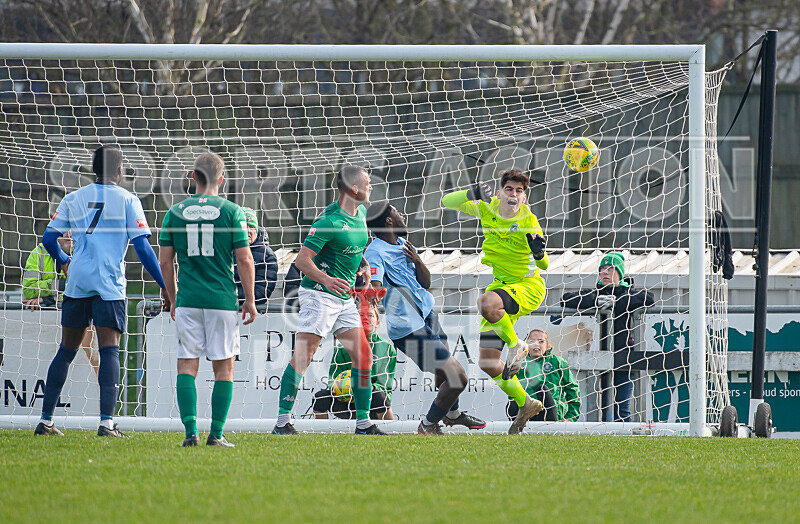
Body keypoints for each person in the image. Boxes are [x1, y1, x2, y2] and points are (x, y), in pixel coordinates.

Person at [34, 145, 166, 437]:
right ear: (119, 170)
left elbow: (48, 238)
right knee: (109, 350)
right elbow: (143, 248)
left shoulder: (73, 197)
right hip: (109, 284)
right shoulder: (129, 200)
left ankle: (45, 420)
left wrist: (64, 259)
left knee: (66, 350)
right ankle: (107, 423)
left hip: (79, 282)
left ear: (93, 170)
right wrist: (165, 285)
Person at [272, 165, 382, 436]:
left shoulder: (363, 212)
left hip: (343, 299)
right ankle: (282, 423)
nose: (371, 186)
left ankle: (363, 423)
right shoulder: (328, 222)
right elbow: (301, 261)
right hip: (319, 296)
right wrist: (326, 279)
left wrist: (364, 263)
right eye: (367, 183)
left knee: (364, 356)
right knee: (304, 357)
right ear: (353, 189)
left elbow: (353, 247)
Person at [159, 152, 257, 447]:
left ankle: (190, 432)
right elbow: (245, 258)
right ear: (221, 179)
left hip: (188, 300)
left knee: (186, 366)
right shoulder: (232, 211)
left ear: (193, 178)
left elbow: (165, 263)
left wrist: (173, 299)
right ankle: (216, 433)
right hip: (221, 300)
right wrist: (250, 299)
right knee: (224, 368)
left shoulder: (174, 212)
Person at [442, 169, 549, 434]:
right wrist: (472, 193)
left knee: (486, 303)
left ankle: (517, 345)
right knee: (488, 363)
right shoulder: (487, 208)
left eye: (519, 191)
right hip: (501, 288)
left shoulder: (529, 221)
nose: (514, 195)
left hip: (527, 287)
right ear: (500, 192)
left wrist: (539, 252)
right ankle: (526, 403)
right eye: (510, 189)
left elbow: (544, 264)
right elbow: (446, 202)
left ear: (525, 196)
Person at [365, 202, 486, 434]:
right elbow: (376, 282)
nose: (402, 215)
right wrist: (372, 294)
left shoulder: (404, 245)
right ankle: (428, 425)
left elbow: (426, 283)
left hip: (428, 316)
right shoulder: (375, 252)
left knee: (444, 374)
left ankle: (453, 414)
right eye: (398, 212)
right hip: (409, 328)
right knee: (458, 376)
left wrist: (417, 261)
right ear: (389, 221)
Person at [560, 251, 655, 422]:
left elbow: (648, 298)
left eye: (610, 269)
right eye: (602, 269)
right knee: (602, 406)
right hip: (597, 357)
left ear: (620, 273)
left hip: (623, 357)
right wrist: (597, 301)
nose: (604, 272)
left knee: (622, 407)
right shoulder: (595, 294)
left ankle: (626, 438)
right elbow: (566, 299)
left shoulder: (629, 293)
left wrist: (616, 302)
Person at [22, 230, 99, 374]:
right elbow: (28, 290)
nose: (69, 234)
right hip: (44, 334)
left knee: (86, 365)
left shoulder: (87, 252)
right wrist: (64, 287)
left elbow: (87, 291)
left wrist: (47, 299)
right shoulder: (39, 252)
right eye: (65, 228)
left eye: (73, 227)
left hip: (82, 324)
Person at [312, 305, 396, 421]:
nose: (366, 319)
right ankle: (321, 434)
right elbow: (334, 377)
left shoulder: (386, 347)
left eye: (370, 315)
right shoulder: (342, 347)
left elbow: (385, 383)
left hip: (371, 399)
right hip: (345, 400)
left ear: (377, 323)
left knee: (380, 396)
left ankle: (390, 433)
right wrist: (335, 389)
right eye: (361, 316)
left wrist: (369, 388)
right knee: (320, 398)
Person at [505, 329, 580, 422]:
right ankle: (516, 424)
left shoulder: (558, 362)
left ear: (548, 346)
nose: (536, 344)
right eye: (532, 341)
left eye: (541, 341)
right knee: (514, 398)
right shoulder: (518, 363)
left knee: (543, 389)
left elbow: (572, 389)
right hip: (524, 410)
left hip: (550, 411)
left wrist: (570, 418)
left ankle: (552, 424)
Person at [234, 207, 278, 307]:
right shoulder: (224, 250)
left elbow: (261, 293)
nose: (248, 231)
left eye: (252, 227)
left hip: (252, 310)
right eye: (244, 227)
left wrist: (230, 294)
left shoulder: (266, 255)